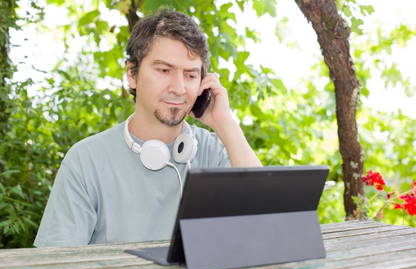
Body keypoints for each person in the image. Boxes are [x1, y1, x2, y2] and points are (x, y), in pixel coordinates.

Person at [34, 9, 262, 247]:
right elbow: (55, 268)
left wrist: (225, 123)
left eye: (191, 74)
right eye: (164, 70)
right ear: (132, 74)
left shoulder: (215, 153)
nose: (179, 87)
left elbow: (270, 226)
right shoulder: (86, 160)